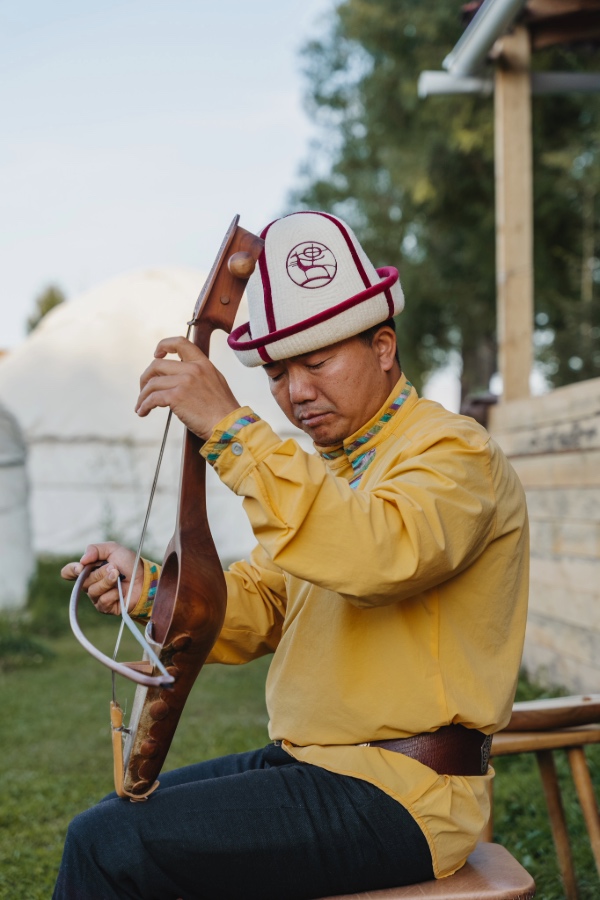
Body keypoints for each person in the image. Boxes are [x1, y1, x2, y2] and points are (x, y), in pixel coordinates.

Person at [55, 211, 529, 900]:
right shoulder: (328, 473)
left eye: (317, 362)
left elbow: (377, 555)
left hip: (404, 795)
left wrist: (229, 429)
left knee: (111, 845)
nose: (296, 392)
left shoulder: (454, 452)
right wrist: (152, 590)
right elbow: (264, 602)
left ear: (385, 348)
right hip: (316, 765)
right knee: (104, 822)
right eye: (277, 373)